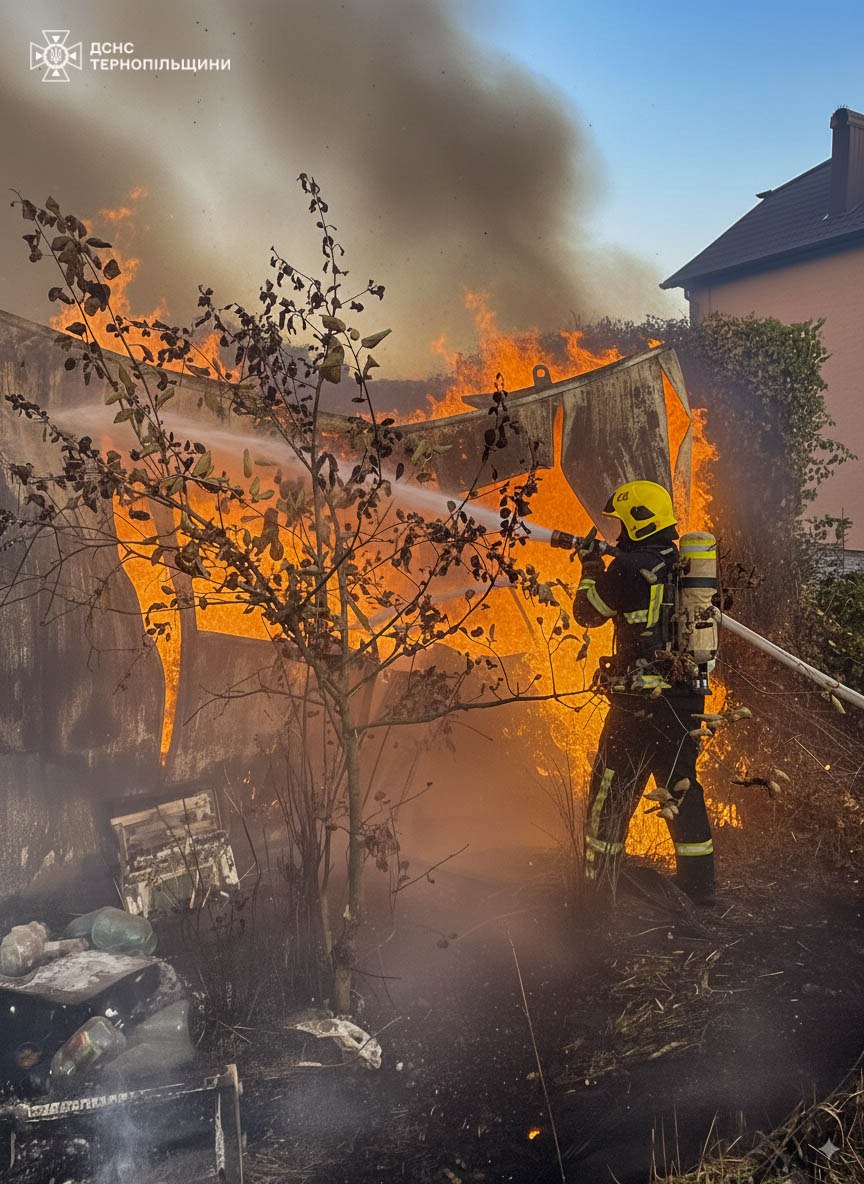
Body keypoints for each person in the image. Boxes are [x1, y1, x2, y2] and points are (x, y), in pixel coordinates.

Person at [573, 480, 716, 906]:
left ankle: (598, 889)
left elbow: (587, 614)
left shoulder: (628, 568)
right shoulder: (685, 566)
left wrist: (590, 567)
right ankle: (700, 888)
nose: (617, 533)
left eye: (621, 523)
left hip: (638, 706)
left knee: (612, 790)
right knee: (682, 791)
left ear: (639, 521)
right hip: (687, 701)